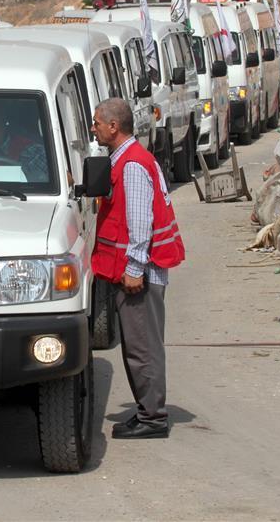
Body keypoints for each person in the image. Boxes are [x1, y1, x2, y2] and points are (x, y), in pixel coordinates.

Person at [90, 97, 185, 439]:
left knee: (142, 346)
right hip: (140, 271)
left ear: (114, 126)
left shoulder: (131, 165)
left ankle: (153, 418)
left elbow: (139, 221)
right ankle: (147, 410)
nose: (94, 127)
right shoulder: (132, 159)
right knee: (138, 344)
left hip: (140, 274)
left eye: (97, 122)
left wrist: (134, 267)